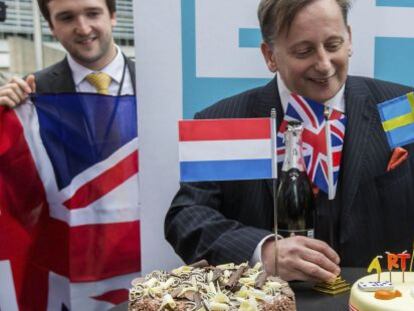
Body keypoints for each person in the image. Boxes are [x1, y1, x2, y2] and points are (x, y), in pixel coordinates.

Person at [165, 0, 414, 283]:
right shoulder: (224, 122)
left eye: (333, 45)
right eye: (304, 51)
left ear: (350, 38)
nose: (323, 65)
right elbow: (186, 217)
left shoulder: (404, 108)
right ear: (269, 55)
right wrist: (262, 252)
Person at [0, 0, 135, 104]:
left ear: (112, 16)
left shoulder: (153, 81)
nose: (84, 29)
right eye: (67, 18)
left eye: (93, 14)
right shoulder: (29, 95)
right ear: (52, 27)